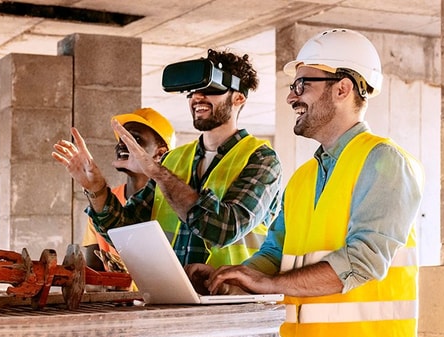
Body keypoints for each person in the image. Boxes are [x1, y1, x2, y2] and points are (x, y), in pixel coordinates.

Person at [190, 29, 424, 337]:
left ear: (343, 88)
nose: (292, 96)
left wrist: (269, 284)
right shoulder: (300, 179)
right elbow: (274, 255)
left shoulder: (385, 162)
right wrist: (228, 277)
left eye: (304, 84)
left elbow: (363, 261)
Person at [52, 48, 282, 267]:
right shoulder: (175, 159)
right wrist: (97, 188)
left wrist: (158, 173)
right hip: (175, 293)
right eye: (192, 90)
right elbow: (125, 232)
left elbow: (224, 229)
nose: (198, 97)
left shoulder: (261, 159)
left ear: (238, 98)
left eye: (211, 89)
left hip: (234, 301)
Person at [78, 107, 175, 271]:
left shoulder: (174, 203)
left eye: (134, 139)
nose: (122, 145)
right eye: (121, 139)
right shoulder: (102, 204)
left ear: (160, 153)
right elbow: (93, 273)